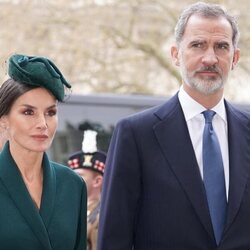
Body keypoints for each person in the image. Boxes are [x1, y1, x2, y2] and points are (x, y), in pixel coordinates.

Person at [97, 2, 250, 249]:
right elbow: (114, 237)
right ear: (176, 54)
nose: (210, 57)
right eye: (197, 45)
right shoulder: (136, 135)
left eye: (221, 46)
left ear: (235, 58)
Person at [0, 54, 87, 250]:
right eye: (28, 112)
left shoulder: (73, 185)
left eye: (50, 112)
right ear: (3, 119)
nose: (42, 124)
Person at [68, 130, 106, 250]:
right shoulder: (71, 209)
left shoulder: (104, 216)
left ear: (97, 181)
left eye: (79, 175)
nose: (72, 179)